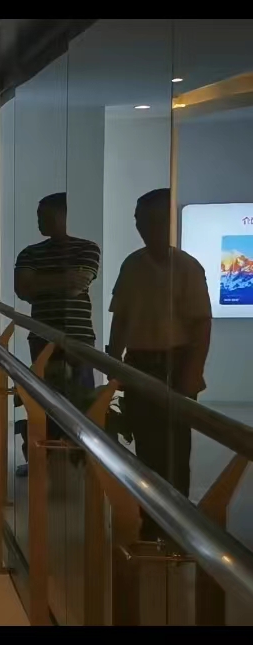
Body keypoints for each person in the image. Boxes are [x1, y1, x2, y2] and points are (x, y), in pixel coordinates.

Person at [107, 187, 211, 544]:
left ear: (166, 222)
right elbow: (121, 319)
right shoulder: (132, 265)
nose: (143, 227)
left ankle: (176, 524)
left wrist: (192, 372)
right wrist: (113, 362)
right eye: (139, 221)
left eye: (151, 220)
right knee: (146, 446)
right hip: (139, 363)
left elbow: (201, 325)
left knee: (175, 449)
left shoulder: (187, 267)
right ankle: (151, 520)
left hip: (175, 364)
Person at [13, 192, 101, 476]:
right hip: (42, 336)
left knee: (81, 401)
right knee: (44, 401)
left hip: (78, 338)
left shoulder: (87, 248)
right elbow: (22, 288)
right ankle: (45, 461)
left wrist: (39, 282)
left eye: (45, 215)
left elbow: (78, 285)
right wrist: (60, 280)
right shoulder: (29, 253)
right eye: (38, 216)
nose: (39, 221)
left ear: (64, 216)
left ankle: (78, 462)